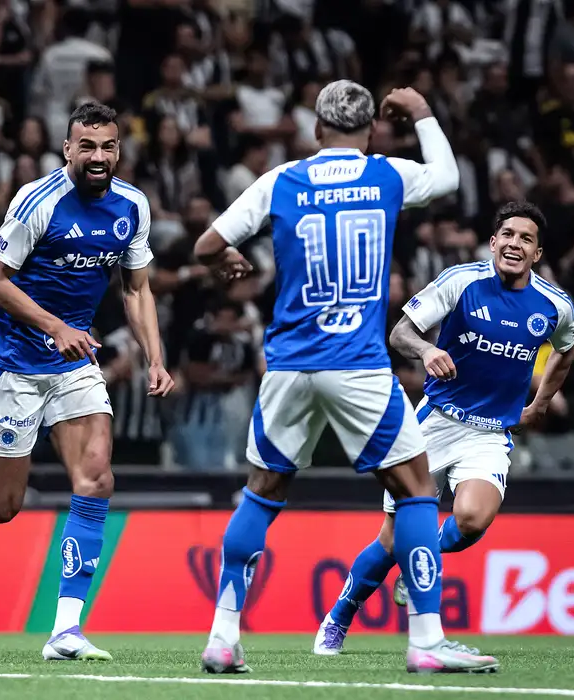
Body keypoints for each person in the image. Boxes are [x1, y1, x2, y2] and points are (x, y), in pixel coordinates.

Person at [191, 81, 497, 674]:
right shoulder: (385, 174)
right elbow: (449, 178)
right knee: (413, 490)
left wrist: (223, 260)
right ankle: (427, 641)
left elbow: (208, 243)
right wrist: (425, 113)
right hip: (356, 364)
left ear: (315, 131)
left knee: (263, 491)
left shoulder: (281, 180)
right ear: (373, 132)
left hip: (287, 365)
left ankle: (223, 638)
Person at [0, 102, 174, 661]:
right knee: (2, 507)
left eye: (109, 147)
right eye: (87, 147)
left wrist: (154, 356)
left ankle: (65, 630)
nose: (99, 157)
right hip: (13, 361)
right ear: (67, 150)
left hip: (74, 363)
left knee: (95, 479)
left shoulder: (133, 206)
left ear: (119, 150)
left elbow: (136, 288)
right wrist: (55, 326)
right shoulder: (37, 200)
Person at [314, 201, 574, 654]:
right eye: (508, 234)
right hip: (435, 423)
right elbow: (401, 332)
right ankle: (338, 618)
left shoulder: (555, 306)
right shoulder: (461, 281)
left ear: (537, 254)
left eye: (526, 239)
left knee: (473, 520)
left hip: (490, 433)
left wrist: (539, 404)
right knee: (393, 540)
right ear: (494, 241)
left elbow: (566, 351)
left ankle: (425, 559)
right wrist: (425, 351)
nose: (515, 243)